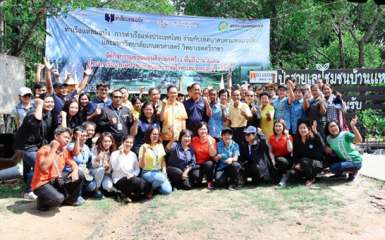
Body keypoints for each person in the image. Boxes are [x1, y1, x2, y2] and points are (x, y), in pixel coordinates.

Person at [32, 127, 85, 211]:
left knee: (80, 173)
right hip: (42, 183)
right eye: (65, 137)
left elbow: (73, 164)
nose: (67, 140)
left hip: (56, 179)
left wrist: (75, 171)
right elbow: (44, 166)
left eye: (68, 138)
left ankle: (70, 200)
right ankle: (42, 201)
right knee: (58, 199)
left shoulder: (64, 151)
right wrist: (53, 148)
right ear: (56, 136)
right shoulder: (43, 150)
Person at [14, 93, 55, 199]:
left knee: (35, 168)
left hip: (37, 145)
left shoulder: (49, 114)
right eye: (47, 102)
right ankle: (28, 192)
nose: (50, 104)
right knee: (40, 166)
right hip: (25, 146)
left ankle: (34, 188)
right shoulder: (33, 112)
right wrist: (39, 106)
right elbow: (35, 124)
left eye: (51, 102)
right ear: (40, 103)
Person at [110, 135, 151, 202]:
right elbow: (115, 168)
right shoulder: (115, 154)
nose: (129, 144)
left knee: (146, 186)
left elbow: (137, 169)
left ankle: (130, 191)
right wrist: (120, 154)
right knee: (135, 181)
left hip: (131, 178)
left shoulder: (133, 155)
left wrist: (133, 174)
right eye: (127, 142)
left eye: (130, 142)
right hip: (119, 180)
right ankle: (124, 194)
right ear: (122, 142)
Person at [324, 116, 363, 182]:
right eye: (331, 127)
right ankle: (341, 174)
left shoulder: (345, 135)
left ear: (338, 126)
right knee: (325, 154)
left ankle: (353, 172)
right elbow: (325, 148)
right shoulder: (329, 138)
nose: (333, 128)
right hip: (343, 161)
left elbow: (359, 140)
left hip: (354, 161)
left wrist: (353, 127)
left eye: (334, 126)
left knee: (333, 168)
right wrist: (326, 147)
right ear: (328, 129)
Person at [64, 126, 96, 203]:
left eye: (86, 136)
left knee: (92, 185)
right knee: (80, 172)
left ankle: (76, 191)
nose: (84, 138)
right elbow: (75, 153)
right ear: (75, 135)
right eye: (82, 135)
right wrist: (78, 138)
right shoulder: (71, 146)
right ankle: (77, 195)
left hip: (84, 172)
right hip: (71, 173)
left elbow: (91, 159)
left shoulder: (86, 147)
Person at [289, 119, 325, 186]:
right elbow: (295, 155)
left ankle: (311, 178)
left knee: (304, 160)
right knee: (293, 174)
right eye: (301, 128)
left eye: (304, 128)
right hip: (303, 165)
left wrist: (316, 132)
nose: (302, 130)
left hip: (317, 164)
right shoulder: (297, 141)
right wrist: (297, 163)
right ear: (298, 129)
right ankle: (309, 174)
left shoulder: (313, 137)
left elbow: (321, 145)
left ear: (308, 129)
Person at [139, 127, 172, 196]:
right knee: (161, 178)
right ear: (149, 135)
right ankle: (151, 189)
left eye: (158, 134)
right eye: (154, 134)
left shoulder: (160, 145)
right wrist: (144, 152)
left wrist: (164, 173)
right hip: (147, 172)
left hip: (159, 172)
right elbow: (142, 166)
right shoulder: (143, 147)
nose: (156, 136)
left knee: (168, 191)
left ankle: (156, 184)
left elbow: (163, 161)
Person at [189, 122, 217, 189]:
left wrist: (210, 143)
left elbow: (213, 154)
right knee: (196, 177)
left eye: (205, 129)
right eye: (201, 129)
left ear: (207, 130)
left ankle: (209, 181)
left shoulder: (212, 140)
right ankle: (199, 179)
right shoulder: (193, 140)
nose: (203, 131)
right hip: (197, 163)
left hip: (208, 162)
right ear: (197, 131)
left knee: (208, 164)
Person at [90, 132, 117, 199]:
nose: (107, 143)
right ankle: (97, 189)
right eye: (105, 141)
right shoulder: (95, 149)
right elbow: (93, 165)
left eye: (109, 141)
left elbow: (111, 168)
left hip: (106, 173)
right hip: (95, 172)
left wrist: (107, 166)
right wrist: (98, 159)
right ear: (101, 141)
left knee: (108, 186)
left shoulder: (113, 151)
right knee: (101, 169)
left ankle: (101, 188)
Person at [268, 119, 293, 186]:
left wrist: (287, 136)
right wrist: (273, 161)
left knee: (280, 160)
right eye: (276, 126)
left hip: (286, 159)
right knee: (274, 176)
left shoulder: (289, 136)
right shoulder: (271, 137)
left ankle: (285, 176)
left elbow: (290, 149)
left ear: (283, 127)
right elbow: (270, 151)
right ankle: (281, 176)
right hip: (276, 159)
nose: (278, 128)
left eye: (280, 126)